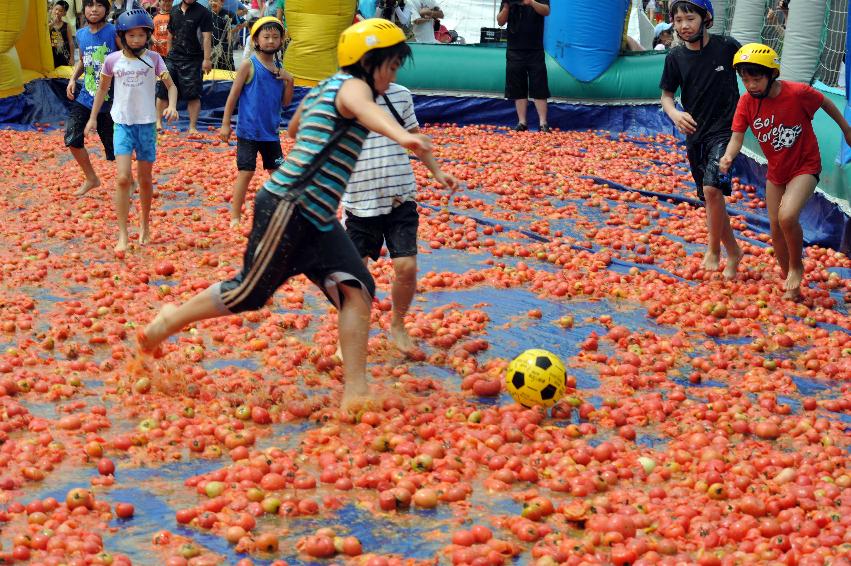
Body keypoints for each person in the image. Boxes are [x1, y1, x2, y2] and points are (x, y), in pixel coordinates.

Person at [138, 19, 432, 409]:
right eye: (391, 65)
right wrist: (401, 134)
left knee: (358, 289)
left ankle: (356, 390)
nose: (393, 73)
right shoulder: (355, 87)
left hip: (318, 216)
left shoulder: (326, 89)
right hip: (289, 204)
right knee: (249, 293)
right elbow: (361, 107)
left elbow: (293, 127)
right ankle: (169, 320)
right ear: (366, 62)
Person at [719, 44, 851, 300]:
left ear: (772, 74)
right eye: (745, 80)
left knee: (787, 216)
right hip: (776, 172)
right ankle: (791, 282)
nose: (751, 85)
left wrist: (846, 130)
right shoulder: (746, 103)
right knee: (776, 229)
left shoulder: (797, 93)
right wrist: (727, 156)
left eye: (756, 79)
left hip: (805, 166)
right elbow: (736, 138)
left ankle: (796, 267)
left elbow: (826, 103)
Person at [341, 82, 458, 355]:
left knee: (406, 267)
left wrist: (438, 173)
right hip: (360, 203)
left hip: (400, 197)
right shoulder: (344, 95)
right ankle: (345, 337)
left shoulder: (400, 95)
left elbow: (415, 139)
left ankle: (398, 324)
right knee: (354, 278)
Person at [660, 0, 742, 279]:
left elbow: (756, 73)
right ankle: (733, 250)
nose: (684, 25)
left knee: (711, 189)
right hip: (696, 135)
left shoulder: (727, 46)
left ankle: (714, 250)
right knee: (712, 197)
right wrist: (674, 114)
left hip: (725, 130)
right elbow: (667, 97)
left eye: (690, 18)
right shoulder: (675, 57)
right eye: (679, 20)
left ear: (705, 17)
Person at [86, 9, 179, 252]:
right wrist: (93, 117)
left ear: (147, 36)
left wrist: (172, 105)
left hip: (147, 125)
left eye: (141, 35)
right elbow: (102, 90)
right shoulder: (112, 60)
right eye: (132, 35)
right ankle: (123, 234)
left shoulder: (155, 59)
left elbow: (171, 86)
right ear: (122, 36)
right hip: (123, 124)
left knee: (145, 180)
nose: (137, 40)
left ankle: (145, 225)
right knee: (123, 178)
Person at [220, 16, 293, 227]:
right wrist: (226, 124)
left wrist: (290, 80)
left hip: (270, 132)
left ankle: (283, 214)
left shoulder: (280, 68)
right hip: (248, 132)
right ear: (256, 41)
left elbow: (286, 103)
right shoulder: (248, 65)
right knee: (246, 171)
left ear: (281, 41)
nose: (271, 41)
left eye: (275, 37)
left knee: (279, 174)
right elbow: (232, 96)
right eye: (266, 37)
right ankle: (235, 216)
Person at [65, 0, 117, 197]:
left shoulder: (113, 32)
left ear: (106, 9)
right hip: (86, 96)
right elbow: (85, 61)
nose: (94, 9)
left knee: (115, 149)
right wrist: (72, 78)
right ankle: (91, 178)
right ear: (84, 9)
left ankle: (128, 180)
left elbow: (126, 55)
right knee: (72, 137)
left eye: (99, 5)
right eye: (89, 5)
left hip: (111, 100)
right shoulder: (81, 34)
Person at [156, 0, 212, 134]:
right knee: (163, 90)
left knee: (193, 94)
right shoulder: (174, 10)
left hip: (193, 59)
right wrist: (169, 54)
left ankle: (192, 126)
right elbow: (170, 34)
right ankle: (157, 122)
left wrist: (207, 59)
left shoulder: (203, 12)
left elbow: (207, 38)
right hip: (173, 57)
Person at [497, 0, 551, 132]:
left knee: (539, 84)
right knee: (517, 86)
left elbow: (546, 11)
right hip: (514, 50)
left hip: (535, 49)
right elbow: (500, 21)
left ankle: (543, 123)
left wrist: (531, 2)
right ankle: (522, 122)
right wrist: (506, 7)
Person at [209, 0, 237, 70]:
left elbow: (241, 24)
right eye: (210, 1)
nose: (212, 3)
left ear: (222, 2)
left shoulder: (230, 14)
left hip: (225, 49)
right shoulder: (206, 14)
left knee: (226, 69)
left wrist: (231, 32)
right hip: (210, 49)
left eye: (215, 1)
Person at [50, 1, 75, 67]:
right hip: (52, 55)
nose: (57, 12)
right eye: (56, 9)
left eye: (60, 11)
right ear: (53, 9)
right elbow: (45, 32)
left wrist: (72, 58)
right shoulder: (48, 24)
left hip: (64, 55)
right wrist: (53, 23)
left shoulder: (66, 26)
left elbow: (71, 42)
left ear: (64, 13)